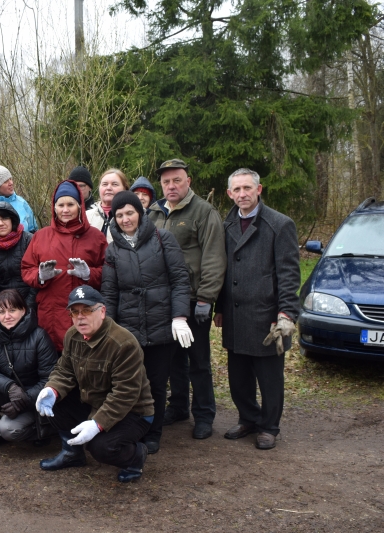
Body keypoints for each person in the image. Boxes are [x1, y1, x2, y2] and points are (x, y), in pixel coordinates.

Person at [213, 169, 300, 450]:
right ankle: (248, 418)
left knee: (269, 378)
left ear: (258, 189)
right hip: (236, 316)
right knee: (239, 377)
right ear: (229, 194)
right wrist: (219, 307)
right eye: (236, 190)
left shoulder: (279, 224)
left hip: (267, 317)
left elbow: (288, 274)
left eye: (247, 188)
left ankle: (269, 427)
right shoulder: (226, 224)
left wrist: (286, 313)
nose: (242, 194)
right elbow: (222, 271)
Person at [101, 192, 192, 454]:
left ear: (140, 213)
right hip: (128, 329)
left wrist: (179, 316)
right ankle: (133, 429)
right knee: (129, 382)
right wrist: (109, 329)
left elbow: (179, 280)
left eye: (129, 212)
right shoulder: (113, 249)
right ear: (114, 219)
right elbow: (109, 292)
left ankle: (153, 432)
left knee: (155, 382)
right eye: (119, 215)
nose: (125, 218)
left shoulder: (163, 239)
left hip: (160, 326)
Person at [36, 286, 155, 483]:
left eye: (87, 310)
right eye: (74, 312)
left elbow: (125, 393)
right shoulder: (73, 335)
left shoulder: (123, 343)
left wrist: (98, 423)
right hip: (93, 402)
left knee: (100, 447)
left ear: (102, 311)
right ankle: (71, 453)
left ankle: (136, 456)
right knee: (55, 403)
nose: (80, 317)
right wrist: (52, 389)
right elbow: (64, 370)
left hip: (133, 412)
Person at [147, 158, 226, 440]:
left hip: (194, 300)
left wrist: (206, 297)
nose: (171, 186)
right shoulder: (153, 213)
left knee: (198, 360)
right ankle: (178, 406)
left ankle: (204, 414)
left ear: (188, 181)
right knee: (172, 360)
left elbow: (214, 257)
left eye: (177, 180)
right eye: (166, 182)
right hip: (163, 301)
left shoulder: (204, 212)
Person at [21, 180, 107, 353]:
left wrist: (90, 274)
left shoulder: (95, 237)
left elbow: (109, 271)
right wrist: (39, 276)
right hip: (50, 315)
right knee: (54, 367)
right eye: (61, 205)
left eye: (70, 204)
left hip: (85, 314)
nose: (65, 210)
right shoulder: (41, 236)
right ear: (54, 207)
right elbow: (26, 268)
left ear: (80, 206)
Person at [0, 290, 57, 449]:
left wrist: (22, 402)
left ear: (23, 310)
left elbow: (49, 379)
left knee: (8, 429)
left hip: (33, 399)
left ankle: (44, 431)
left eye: (12, 310)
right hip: (7, 392)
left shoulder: (39, 336)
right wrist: (9, 387)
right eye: (2, 312)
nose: (7, 316)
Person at [0, 202, 36, 310]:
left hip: (33, 304)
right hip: (6, 308)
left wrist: (27, 306)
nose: (0, 223)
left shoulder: (29, 240)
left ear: (12, 220)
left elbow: (38, 278)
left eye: (4, 219)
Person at [86, 168, 129, 243]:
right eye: (105, 184)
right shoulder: (86, 216)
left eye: (114, 184)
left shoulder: (134, 216)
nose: (108, 188)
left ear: (124, 188)